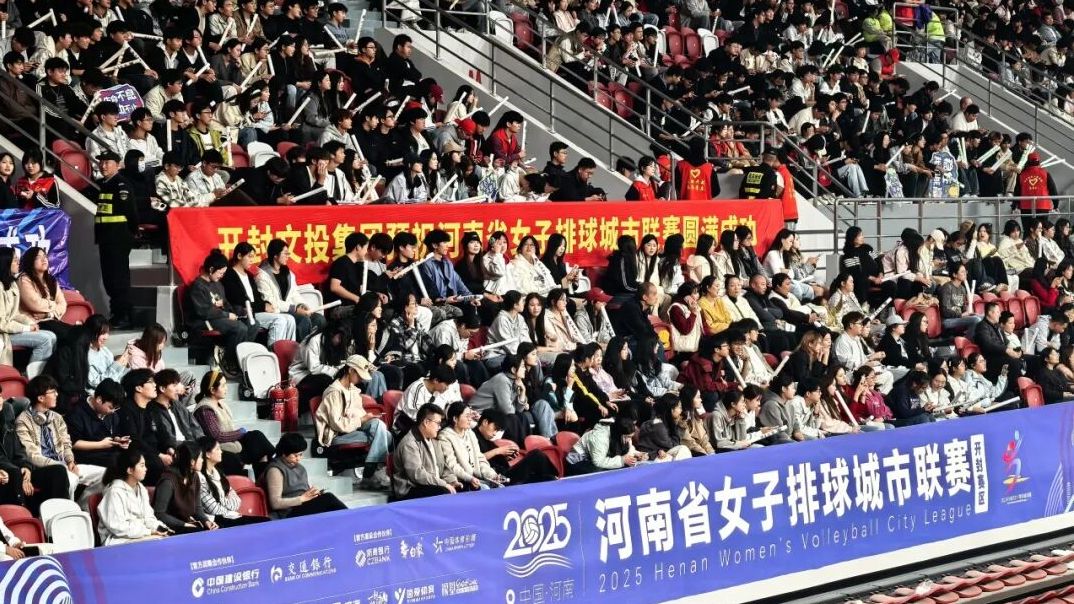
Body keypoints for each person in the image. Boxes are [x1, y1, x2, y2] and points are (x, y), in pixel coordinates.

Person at [15, 375, 105, 503]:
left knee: (106, 475)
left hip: (64, 465)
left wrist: (70, 461)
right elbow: (32, 455)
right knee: (69, 478)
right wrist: (62, 466)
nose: (57, 394)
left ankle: (83, 505)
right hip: (42, 470)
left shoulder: (57, 417)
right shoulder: (23, 421)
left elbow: (66, 443)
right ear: (40, 398)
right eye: (53, 392)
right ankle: (67, 512)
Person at [314, 355, 392, 490]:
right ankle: (375, 470)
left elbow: (359, 415)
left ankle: (373, 467)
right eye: (359, 375)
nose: (361, 379)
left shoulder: (353, 391)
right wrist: (361, 419)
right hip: (337, 436)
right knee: (384, 435)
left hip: (354, 430)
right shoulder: (334, 392)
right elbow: (337, 424)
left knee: (382, 428)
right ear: (350, 370)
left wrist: (367, 418)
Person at [186, 250, 259, 376]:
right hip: (205, 321)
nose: (222, 276)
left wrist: (241, 311)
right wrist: (227, 315)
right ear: (211, 269)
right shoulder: (198, 286)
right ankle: (229, 361)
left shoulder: (218, 285)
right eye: (220, 273)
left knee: (253, 324)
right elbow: (203, 312)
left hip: (220, 318)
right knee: (239, 328)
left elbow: (226, 305)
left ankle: (239, 358)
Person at [193, 370, 275, 477]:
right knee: (244, 454)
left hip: (230, 441)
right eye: (223, 386)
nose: (226, 388)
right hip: (218, 447)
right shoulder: (205, 410)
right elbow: (217, 436)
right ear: (212, 390)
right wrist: (240, 433)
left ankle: (273, 466)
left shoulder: (220, 403)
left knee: (256, 437)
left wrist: (239, 434)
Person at [92, 150, 138, 329]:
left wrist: (133, 232)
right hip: (106, 239)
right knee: (109, 279)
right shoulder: (103, 184)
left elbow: (131, 212)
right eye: (101, 162)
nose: (103, 166)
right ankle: (116, 314)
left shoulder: (121, 184)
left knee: (119, 279)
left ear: (117, 165)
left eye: (107, 162)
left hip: (118, 238)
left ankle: (124, 315)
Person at [222, 242, 297, 348]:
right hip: (246, 313)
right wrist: (263, 306)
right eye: (249, 256)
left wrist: (266, 304)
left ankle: (287, 351)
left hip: (257, 310)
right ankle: (273, 353)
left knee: (290, 319)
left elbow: (257, 297)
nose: (252, 260)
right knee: (279, 320)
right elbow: (239, 300)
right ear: (239, 256)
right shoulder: (229, 276)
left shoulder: (249, 276)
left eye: (253, 257)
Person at [256, 238, 327, 342]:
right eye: (285, 253)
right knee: (303, 320)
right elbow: (270, 301)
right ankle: (298, 349)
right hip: (278, 311)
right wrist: (294, 309)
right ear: (275, 255)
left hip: (292, 310)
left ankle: (314, 349)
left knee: (319, 319)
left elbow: (294, 293)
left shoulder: (287, 272)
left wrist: (302, 305)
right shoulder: (262, 275)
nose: (288, 256)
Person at [97, 449, 172, 546]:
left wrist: (159, 527)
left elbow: (148, 517)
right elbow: (118, 527)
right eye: (142, 465)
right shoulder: (114, 492)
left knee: (165, 537)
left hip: (138, 535)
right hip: (117, 539)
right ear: (130, 470)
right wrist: (148, 532)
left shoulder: (141, 489)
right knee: (156, 542)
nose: (146, 469)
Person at [263, 432, 347, 517]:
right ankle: (353, 520)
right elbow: (275, 503)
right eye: (295, 455)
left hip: (304, 505)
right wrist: (301, 499)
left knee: (329, 504)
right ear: (284, 454)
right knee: (329, 498)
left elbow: (304, 492)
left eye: (300, 455)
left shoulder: (300, 468)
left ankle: (350, 520)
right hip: (290, 512)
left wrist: (313, 494)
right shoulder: (275, 470)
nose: (298, 458)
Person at [0, 247, 55, 376]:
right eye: (14, 260)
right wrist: (26, 328)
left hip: (11, 329)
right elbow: (2, 323)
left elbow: (15, 314)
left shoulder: (12, 284)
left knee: (51, 336)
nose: (18, 262)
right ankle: (31, 378)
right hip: (3, 333)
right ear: (5, 263)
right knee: (45, 340)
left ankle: (37, 376)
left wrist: (31, 323)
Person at [196, 436, 269, 528]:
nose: (221, 452)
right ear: (207, 454)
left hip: (230, 516)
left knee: (266, 521)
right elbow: (213, 509)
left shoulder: (219, 474)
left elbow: (237, 500)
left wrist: (223, 502)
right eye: (217, 449)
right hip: (215, 521)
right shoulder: (200, 478)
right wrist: (228, 506)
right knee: (262, 524)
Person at [393, 403, 461, 500]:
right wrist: (443, 484)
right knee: (443, 492)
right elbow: (417, 475)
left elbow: (443, 467)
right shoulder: (409, 443)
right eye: (438, 423)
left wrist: (452, 481)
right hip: (411, 489)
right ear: (426, 422)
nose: (439, 427)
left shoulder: (434, 441)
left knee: (464, 487)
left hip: (433, 484)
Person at [436, 402, 504, 491]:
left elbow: (480, 459)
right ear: (455, 419)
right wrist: (470, 478)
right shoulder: (444, 436)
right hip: (461, 481)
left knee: (501, 487)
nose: (470, 419)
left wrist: (492, 475)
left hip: (477, 478)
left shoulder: (470, 433)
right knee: (485, 489)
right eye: (467, 416)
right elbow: (452, 465)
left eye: (470, 416)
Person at [153, 441, 217, 534]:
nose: (202, 460)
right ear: (192, 462)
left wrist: (206, 521)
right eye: (200, 457)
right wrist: (183, 524)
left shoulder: (194, 476)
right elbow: (159, 514)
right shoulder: (168, 481)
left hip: (186, 523)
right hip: (169, 526)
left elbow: (197, 507)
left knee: (213, 529)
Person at [67, 379, 129, 470]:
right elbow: (73, 443)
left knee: (133, 455)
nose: (113, 411)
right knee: (115, 461)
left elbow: (113, 434)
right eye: (111, 407)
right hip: (85, 455)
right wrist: (100, 444)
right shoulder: (76, 413)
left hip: (107, 452)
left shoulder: (112, 415)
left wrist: (118, 440)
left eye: (116, 408)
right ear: (99, 400)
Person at [16, 247, 71, 341]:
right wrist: (54, 304)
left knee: (78, 334)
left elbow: (63, 304)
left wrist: (48, 315)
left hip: (51, 320)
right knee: (71, 335)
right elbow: (35, 304)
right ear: (30, 261)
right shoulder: (23, 279)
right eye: (38, 257)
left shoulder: (51, 280)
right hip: (35, 322)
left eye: (45, 256)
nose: (44, 259)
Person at [565, 416, 644, 475]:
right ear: (619, 434)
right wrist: (622, 460)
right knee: (601, 471)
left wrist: (636, 454)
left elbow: (624, 450)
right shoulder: (599, 437)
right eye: (627, 437)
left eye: (630, 437)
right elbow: (598, 462)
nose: (629, 440)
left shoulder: (617, 434)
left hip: (593, 458)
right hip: (577, 462)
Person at [149, 369, 204, 451]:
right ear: (162, 388)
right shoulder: (153, 411)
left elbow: (195, 427)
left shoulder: (177, 405)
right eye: (174, 386)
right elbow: (167, 440)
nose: (178, 389)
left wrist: (203, 442)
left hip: (192, 446)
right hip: (178, 450)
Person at [394, 364, 458, 434]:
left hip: (424, 423)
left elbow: (439, 411)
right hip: (404, 423)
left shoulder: (437, 391)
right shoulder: (417, 388)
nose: (447, 388)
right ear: (436, 380)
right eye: (446, 385)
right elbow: (416, 415)